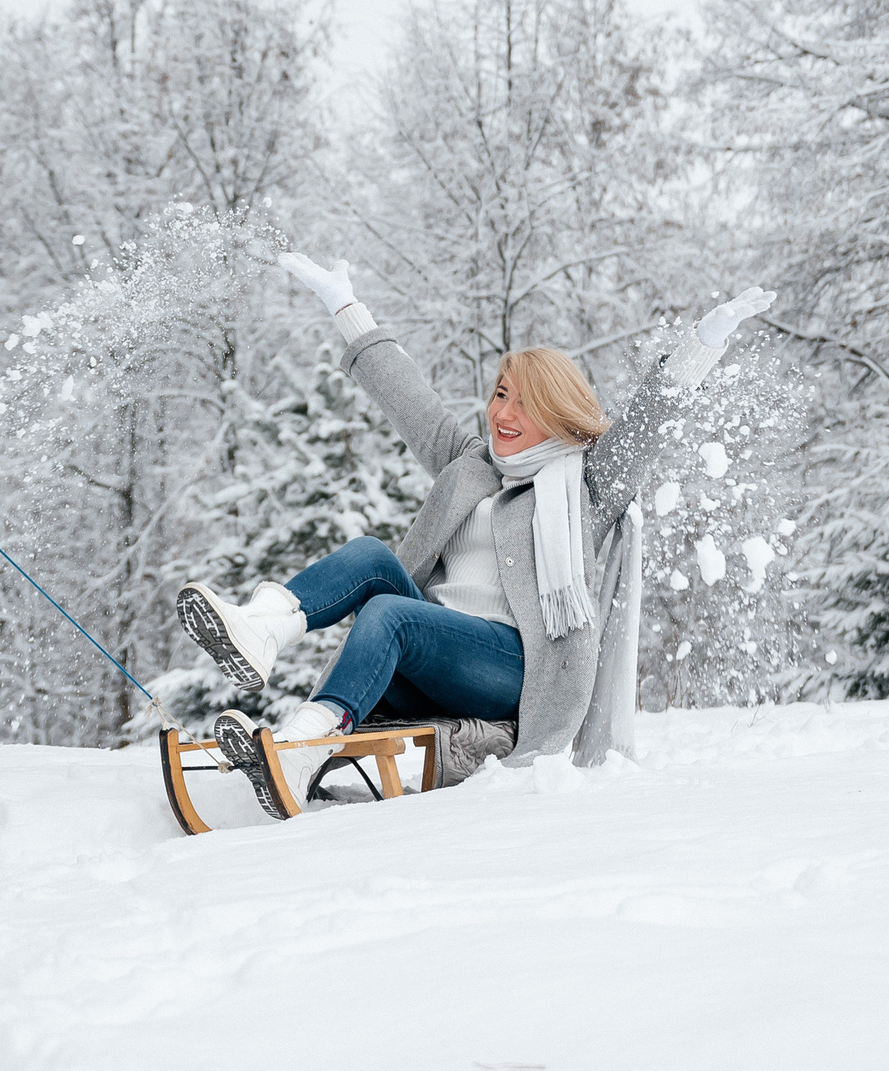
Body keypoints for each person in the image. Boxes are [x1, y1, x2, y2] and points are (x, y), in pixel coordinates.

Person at [176, 252, 772, 816]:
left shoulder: (587, 486)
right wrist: (344, 304)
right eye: (501, 395)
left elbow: (651, 419)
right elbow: (405, 394)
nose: (503, 414)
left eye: (525, 404)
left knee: (388, 612)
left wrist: (705, 340)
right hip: (426, 657)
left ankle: (304, 747)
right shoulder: (470, 466)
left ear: (557, 414)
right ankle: (264, 631)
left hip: (512, 673)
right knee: (371, 557)